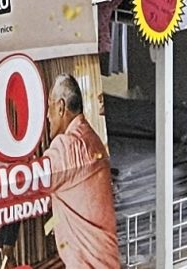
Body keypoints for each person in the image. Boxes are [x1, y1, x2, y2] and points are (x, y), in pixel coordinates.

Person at [41, 70, 118, 269]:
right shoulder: (89, 136)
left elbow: (29, 182)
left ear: (60, 106)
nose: (47, 116)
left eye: (48, 107)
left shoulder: (68, 145)